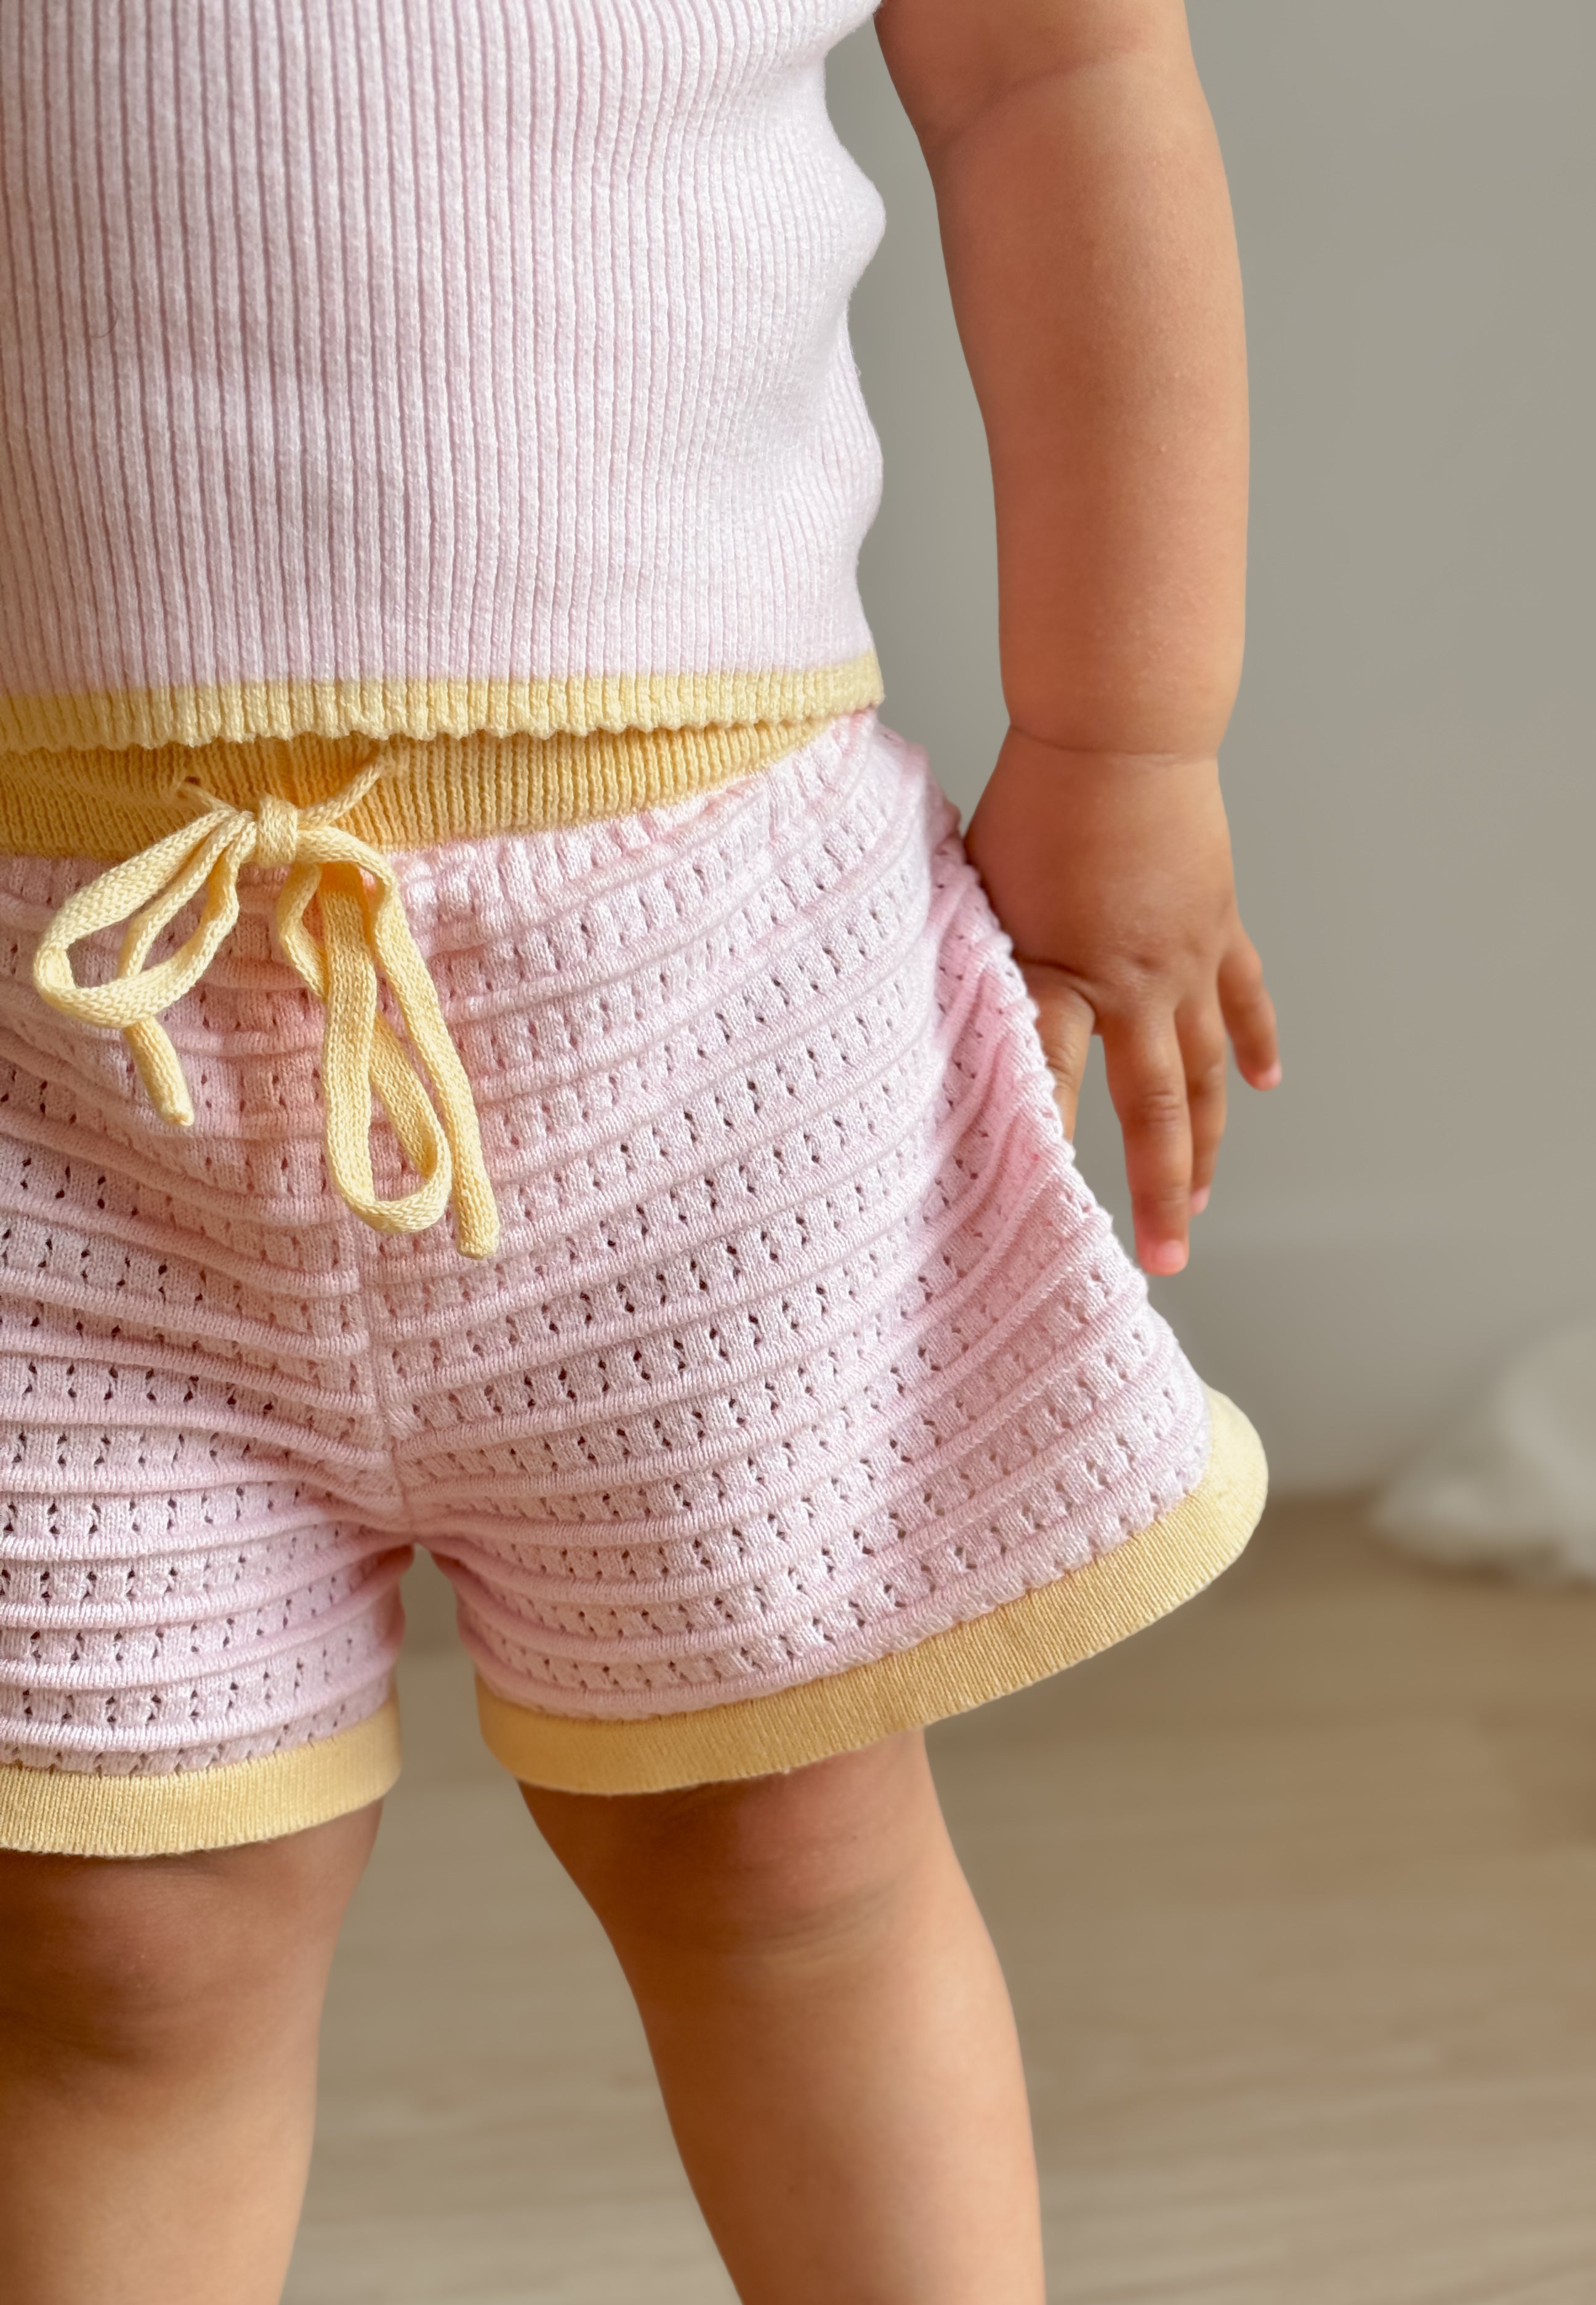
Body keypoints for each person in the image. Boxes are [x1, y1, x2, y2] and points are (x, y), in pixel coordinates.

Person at [0, 0, 1278, 2296]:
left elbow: (1057, 77)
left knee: (776, 1846)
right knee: (116, 1929)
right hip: (61, 1046)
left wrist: (1124, 730)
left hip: (687, 980)